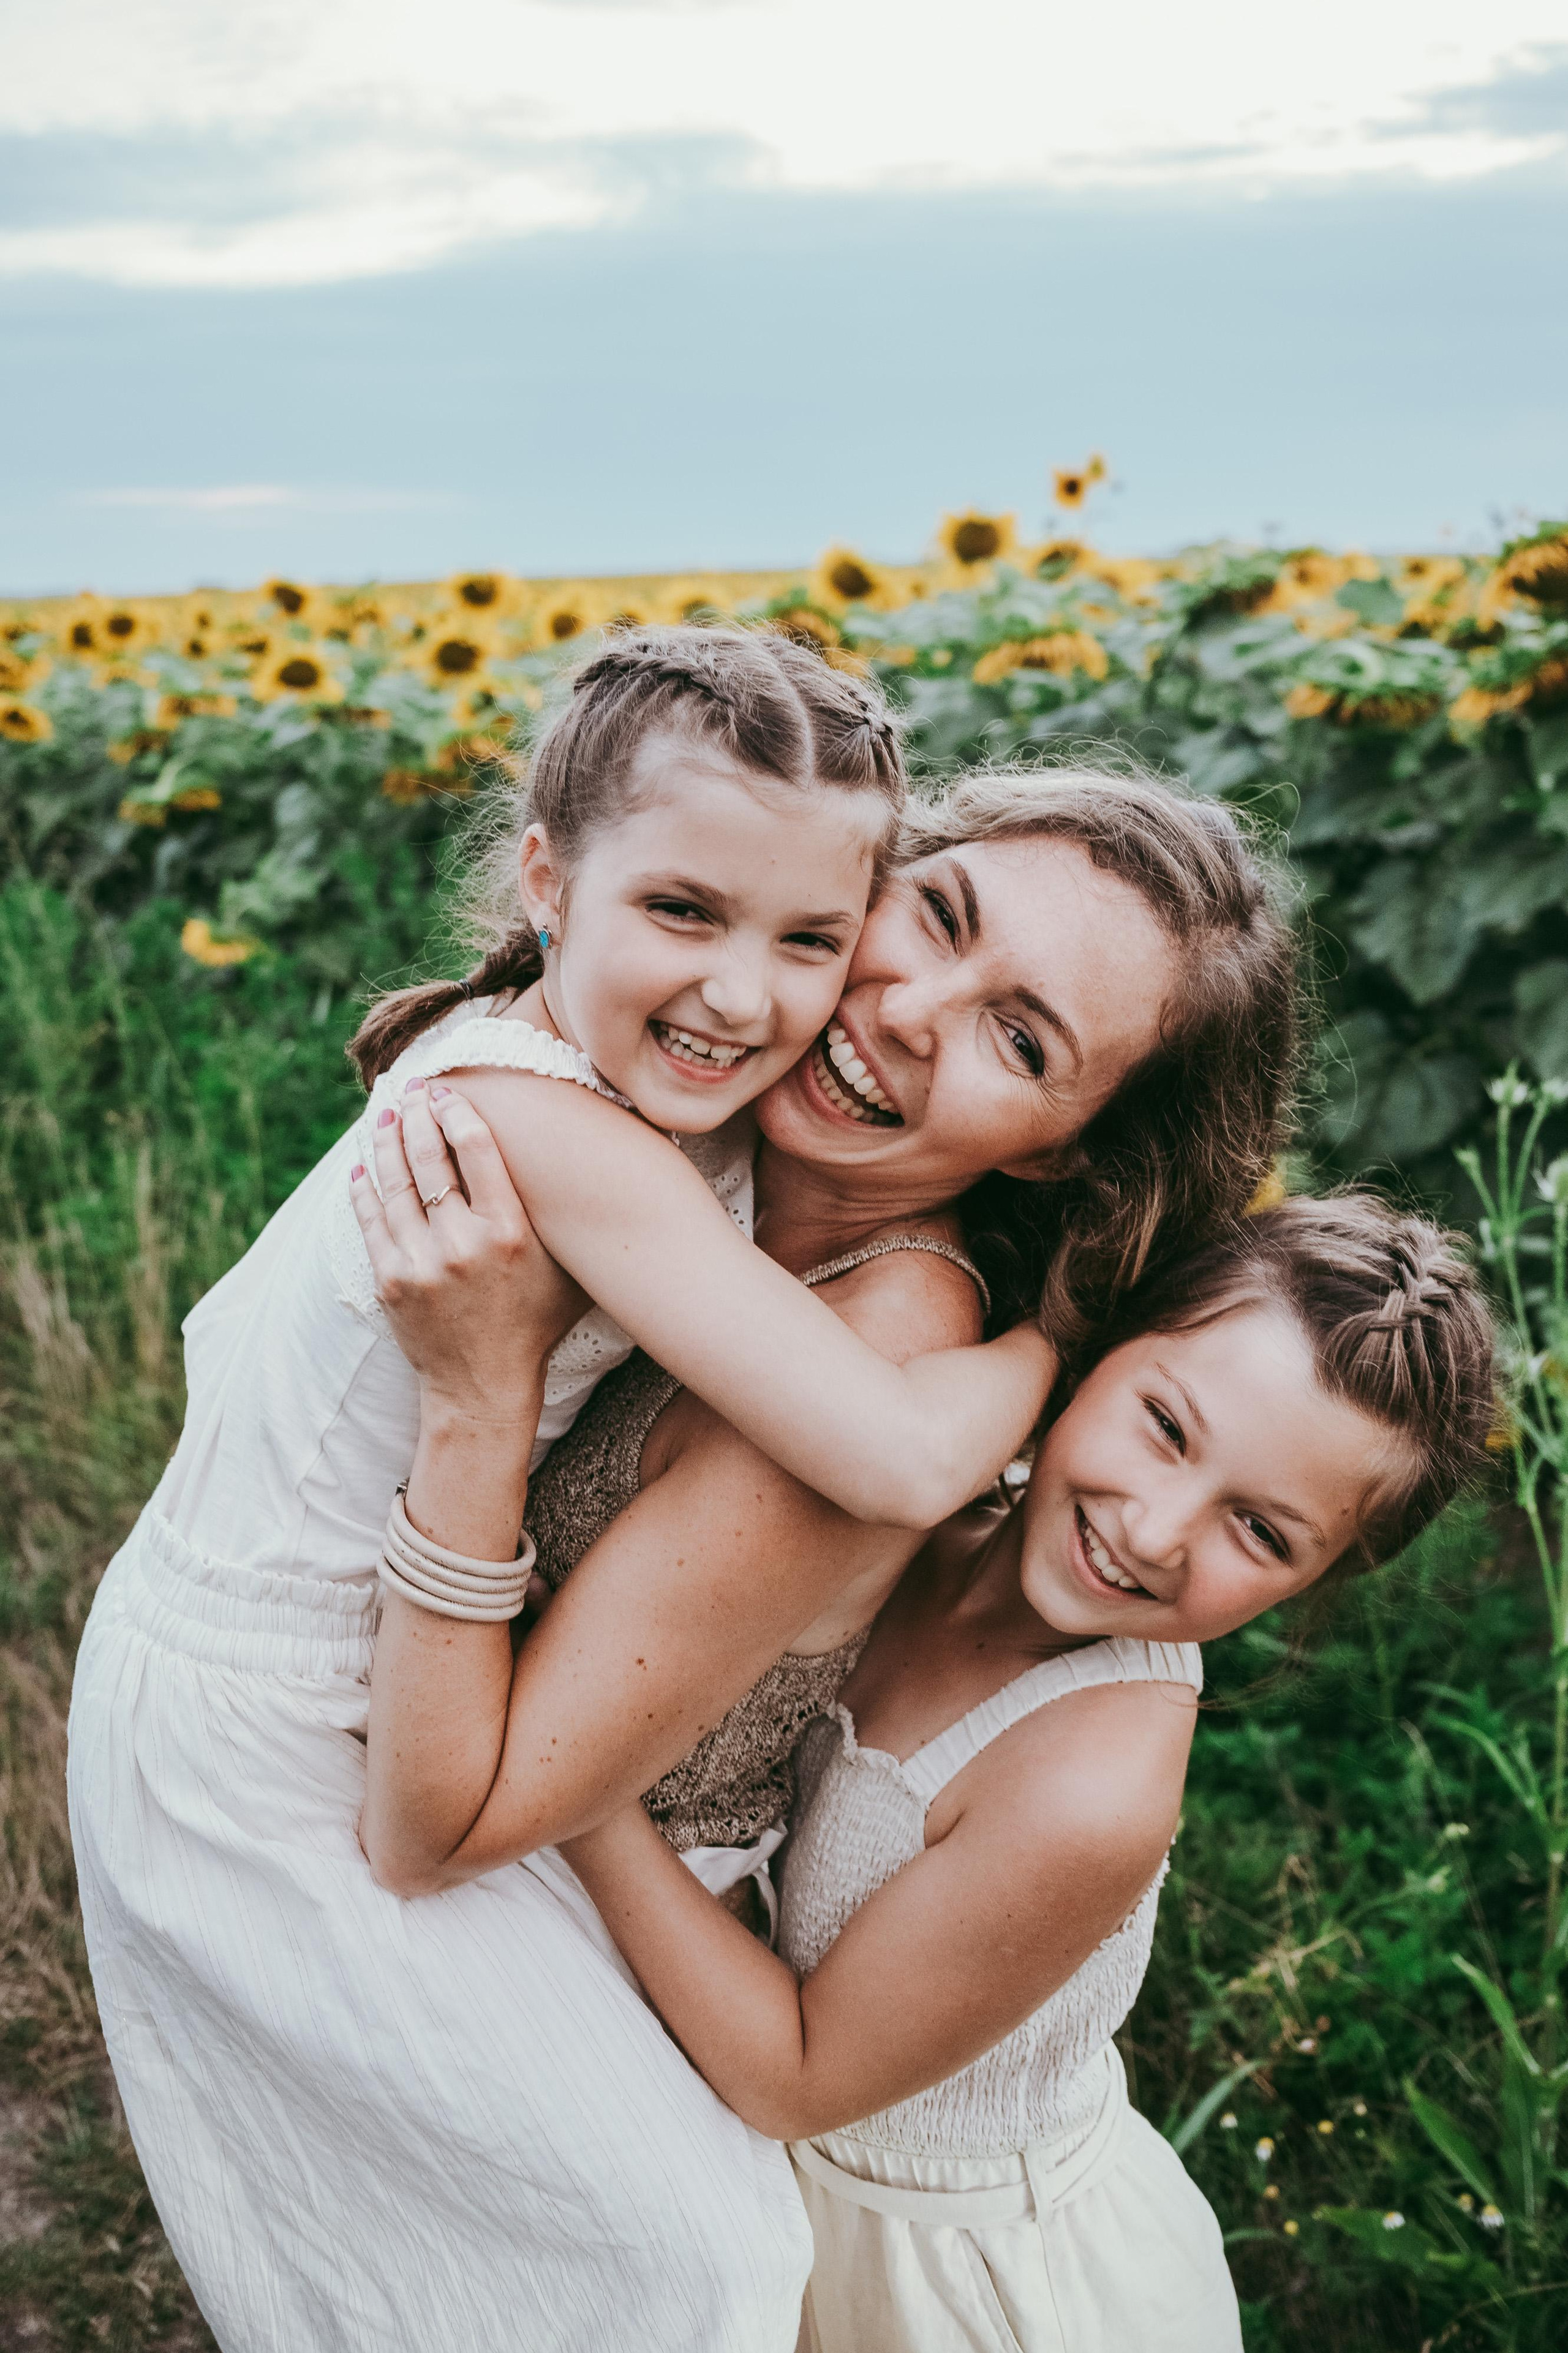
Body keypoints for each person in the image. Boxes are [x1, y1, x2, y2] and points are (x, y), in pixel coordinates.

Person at [69, 742, 1297, 2352]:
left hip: (434, 1795)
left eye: (1019, 1036)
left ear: (1063, 1145)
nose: (911, 1009)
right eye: (932, 915)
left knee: (680, 2266)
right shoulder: (696, 1123)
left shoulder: (880, 1338)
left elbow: (444, 1826)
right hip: (277, 1708)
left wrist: (479, 1393)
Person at [556, 1199, 1497, 2352]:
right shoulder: (942, 1478)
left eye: (1259, 1530)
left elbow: (796, 2075)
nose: (1154, 1532)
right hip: (751, 2162)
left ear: (1317, 1581)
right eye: (1165, 1425)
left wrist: (566, 1776)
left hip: (942, 2274)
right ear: (1103, 1350)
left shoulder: (1091, 1787)